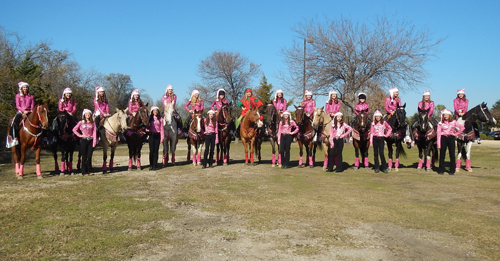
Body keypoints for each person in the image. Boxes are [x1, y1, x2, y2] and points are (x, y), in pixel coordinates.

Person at [437, 109, 465, 175]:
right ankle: (441, 170)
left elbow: (462, 128)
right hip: (443, 138)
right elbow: (438, 133)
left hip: (451, 138)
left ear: (449, 115)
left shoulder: (454, 122)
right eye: (444, 115)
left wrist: (456, 134)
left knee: (452, 154)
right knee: (442, 155)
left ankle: (452, 170)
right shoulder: (440, 123)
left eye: (447, 115)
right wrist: (438, 144)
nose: (445, 116)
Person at [7, 82, 35, 147]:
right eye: (24, 87)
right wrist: (24, 111)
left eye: (26, 87)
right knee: (14, 123)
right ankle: (14, 138)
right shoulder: (18, 95)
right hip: (20, 112)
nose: (25, 88)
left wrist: (30, 110)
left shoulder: (31, 96)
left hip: (29, 112)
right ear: (21, 88)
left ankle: (44, 138)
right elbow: (17, 105)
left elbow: (32, 104)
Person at [73, 109, 97, 175]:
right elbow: (74, 129)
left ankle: (89, 170)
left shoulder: (93, 123)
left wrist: (94, 142)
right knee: (84, 156)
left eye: (89, 114)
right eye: (86, 114)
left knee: (89, 156)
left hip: (90, 140)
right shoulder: (81, 122)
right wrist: (80, 135)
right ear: (84, 115)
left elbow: (94, 132)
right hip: (84, 140)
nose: (88, 115)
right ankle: (83, 171)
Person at [147, 106, 164, 171]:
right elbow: (146, 126)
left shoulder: (160, 119)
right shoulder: (149, 118)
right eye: (154, 111)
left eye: (156, 110)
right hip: (151, 135)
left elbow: (162, 129)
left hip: (157, 135)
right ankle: (151, 165)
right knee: (151, 151)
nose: (155, 112)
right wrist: (146, 129)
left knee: (156, 151)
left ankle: (155, 165)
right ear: (152, 111)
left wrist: (162, 138)